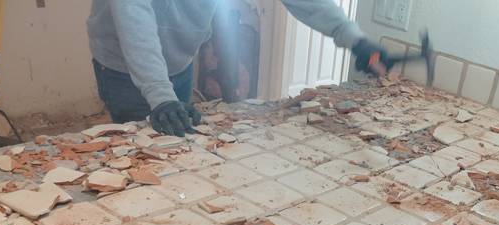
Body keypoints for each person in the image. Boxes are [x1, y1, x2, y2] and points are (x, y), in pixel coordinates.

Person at [87, 0, 390, 136]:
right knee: (142, 154)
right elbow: (132, 14)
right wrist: (159, 94)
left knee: (174, 147)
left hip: (179, 58)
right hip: (124, 64)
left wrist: (355, 40)